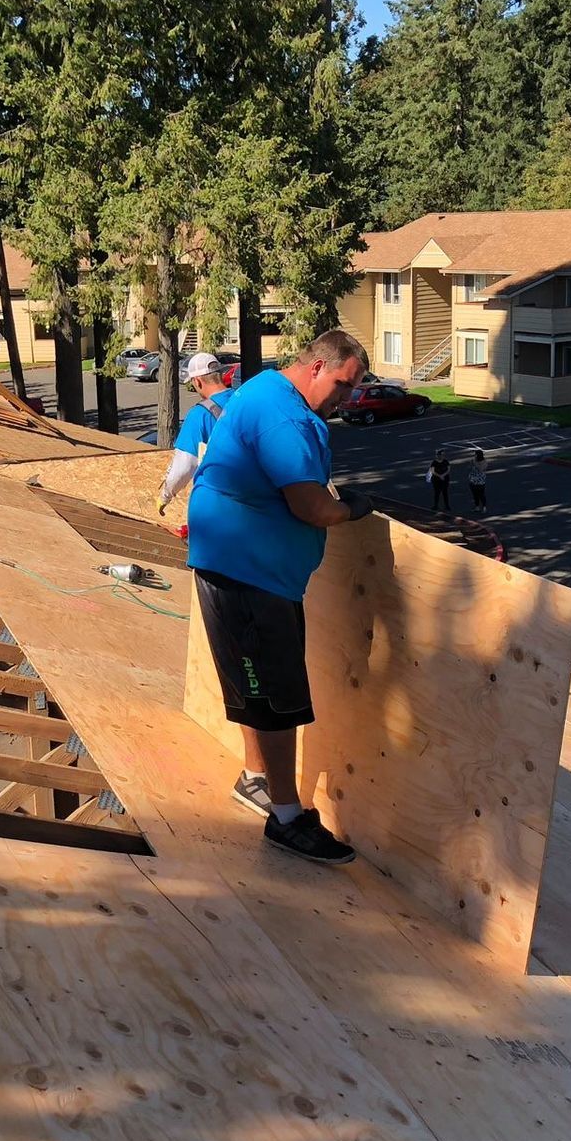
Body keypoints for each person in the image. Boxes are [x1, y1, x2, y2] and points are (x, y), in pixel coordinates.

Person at [186, 329, 375, 866]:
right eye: (342, 385)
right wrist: (351, 509)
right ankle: (287, 817)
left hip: (241, 564)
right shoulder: (285, 417)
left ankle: (254, 779)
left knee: (257, 685)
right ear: (317, 366)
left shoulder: (267, 387)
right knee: (277, 695)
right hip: (249, 573)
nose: (346, 399)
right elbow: (312, 508)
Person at [157, 352, 234, 514]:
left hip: (220, 505)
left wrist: (165, 496)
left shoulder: (200, 414)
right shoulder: (241, 400)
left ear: (198, 381)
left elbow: (183, 467)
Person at [427, 446, 452, 513]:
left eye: (443, 455)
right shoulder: (434, 462)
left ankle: (447, 506)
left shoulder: (445, 461)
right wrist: (440, 476)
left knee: (445, 493)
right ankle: (435, 505)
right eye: (441, 455)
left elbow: (448, 469)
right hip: (436, 480)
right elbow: (433, 471)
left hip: (445, 479)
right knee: (437, 493)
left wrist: (443, 475)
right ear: (438, 455)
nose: (442, 456)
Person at [465, 447, 488, 514]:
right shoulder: (474, 460)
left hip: (480, 480)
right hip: (473, 479)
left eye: (475, 454)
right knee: (475, 494)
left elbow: (481, 469)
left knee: (481, 494)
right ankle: (477, 506)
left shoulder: (484, 462)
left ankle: (484, 507)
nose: (474, 456)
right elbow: (469, 467)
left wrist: (475, 463)